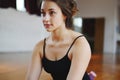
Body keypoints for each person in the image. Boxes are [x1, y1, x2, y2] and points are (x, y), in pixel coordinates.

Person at [26, 0, 92, 80]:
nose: (45, 19)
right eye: (43, 13)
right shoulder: (40, 47)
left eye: (52, 13)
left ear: (65, 14)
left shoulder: (80, 43)